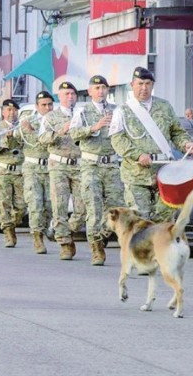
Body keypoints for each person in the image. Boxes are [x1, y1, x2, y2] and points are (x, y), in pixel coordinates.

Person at [110, 67, 193, 223]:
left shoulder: (164, 106)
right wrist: (138, 155)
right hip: (136, 174)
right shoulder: (122, 111)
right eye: (140, 84)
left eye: (148, 83)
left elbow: (177, 132)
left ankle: (158, 239)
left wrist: (186, 144)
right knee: (139, 221)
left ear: (152, 85)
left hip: (164, 172)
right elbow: (117, 139)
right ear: (132, 85)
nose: (144, 88)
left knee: (164, 220)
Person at [69, 75, 123, 265]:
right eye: (97, 88)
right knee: (93, 207)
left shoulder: (117, 110)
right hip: (90, 165)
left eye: (104, 88)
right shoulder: (82, 111)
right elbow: (73, 133)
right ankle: (96, 248)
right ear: (90, 91)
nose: (101, 91)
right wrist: (94, 127)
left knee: (116, 208)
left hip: (112, 165)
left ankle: (103, 234)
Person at [39, 81, 86, 261]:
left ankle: (69, 230)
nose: (70, 97)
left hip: (80, 165)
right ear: (59, 96)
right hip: (58, 165)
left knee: (82, 208)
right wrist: (60, 131)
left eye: (73, 94)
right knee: (59, 205)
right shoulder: (50, 117)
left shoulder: (83, 114)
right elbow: (42, 138)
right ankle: (64, 243)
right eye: (66, 94)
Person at [16, 91, 54, 254]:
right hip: (32, 167)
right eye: (43, 105)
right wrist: (25, 129)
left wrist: (33, 131)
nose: (47, 108)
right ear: (37, 106)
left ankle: (45, 228)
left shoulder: (56, 120)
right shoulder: (29, 120)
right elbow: (16, 137)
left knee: (49, 205)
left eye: (50, 104)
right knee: (35, 203)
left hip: (51, 167)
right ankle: (37, 237)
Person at [0, 99, 26, 247]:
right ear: (3, 112)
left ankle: (12, 223)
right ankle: (8, 233)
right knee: (3, 203)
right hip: (2, 172)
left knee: (22, 205)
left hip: (20, 172)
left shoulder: (22, 127)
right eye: (9, 110)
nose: (12, 113)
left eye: (15, 110)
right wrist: (7, 137)